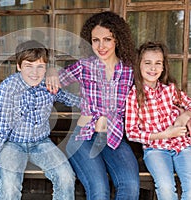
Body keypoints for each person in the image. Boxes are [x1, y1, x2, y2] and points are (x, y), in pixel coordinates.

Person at [46, 11, 140, 199]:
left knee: (130, 187)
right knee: (99, 191)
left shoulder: (130, 70)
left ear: (118, 40)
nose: (101, 46)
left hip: (114, 138)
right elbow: (49, 84)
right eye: (95, 40)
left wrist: (185, 113)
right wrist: (51, 70)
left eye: (107, 39)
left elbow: (157, 92)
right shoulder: (84, 66)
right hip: (83, 138)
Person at [0, 40, 80, 200]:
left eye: (40, 66)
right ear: (19, 66)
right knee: (9, 188)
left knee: (66, 177)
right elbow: (1, 128)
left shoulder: (47, 84)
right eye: (29, 66)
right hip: (12, 144)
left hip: (41, 142)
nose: (35, 73)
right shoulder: (9, 87)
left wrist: (95, 106)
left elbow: (70, 99)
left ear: (46, 68)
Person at [125, 41, 191, 200]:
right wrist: (164, 134)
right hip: (155, 149)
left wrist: (185, 115)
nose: (152, 68)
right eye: (147, 63)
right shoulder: (134, 96)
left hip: (182, 145)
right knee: (166, 188)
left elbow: (189, 104)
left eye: (158, 63)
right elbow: (131, 132)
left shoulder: (170, 89)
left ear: (163, 67)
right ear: (139, 65)